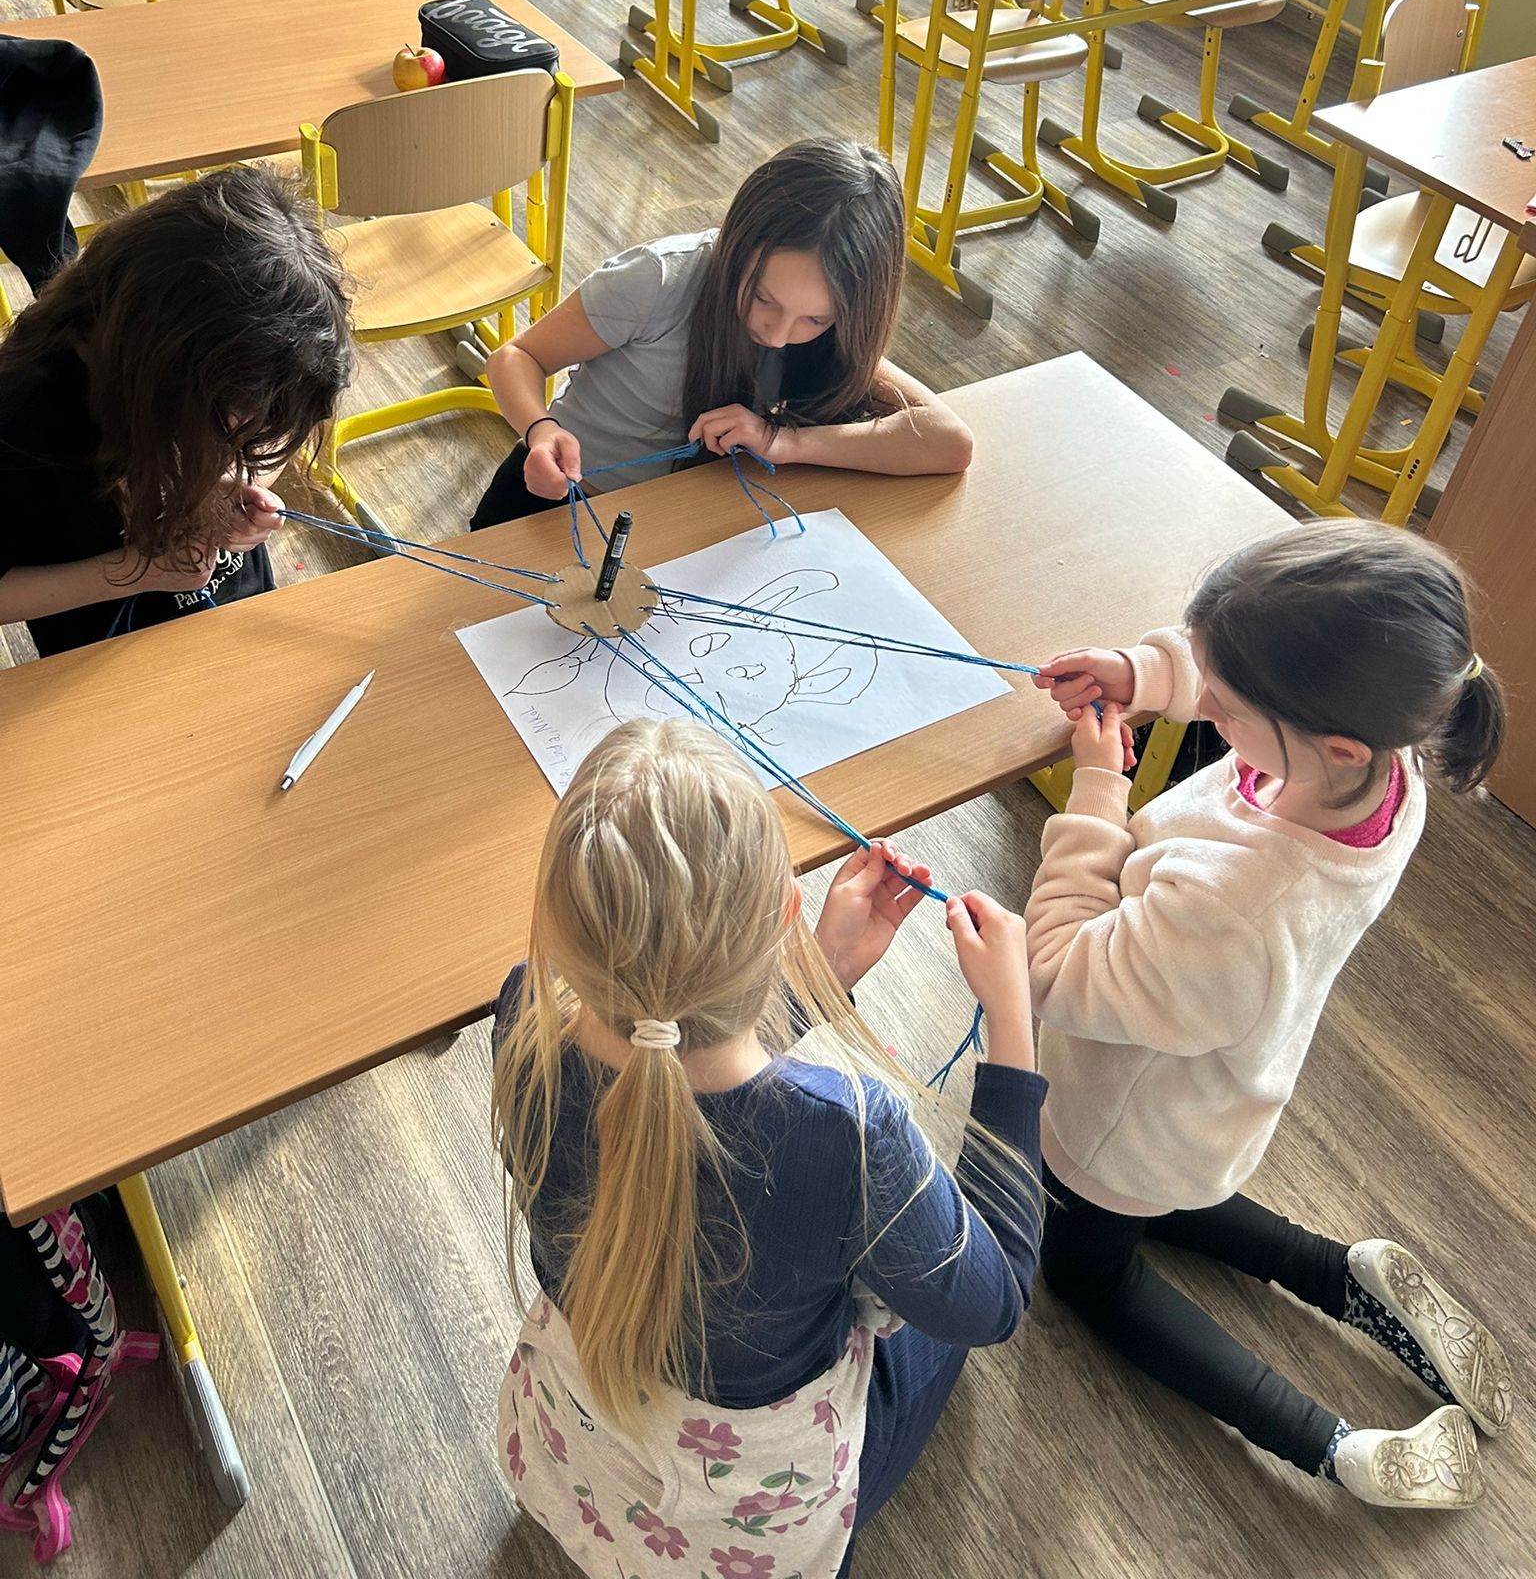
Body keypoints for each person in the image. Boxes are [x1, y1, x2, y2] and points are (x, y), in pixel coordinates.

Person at [1027, 518, 1512, 1509]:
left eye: (1227, 705)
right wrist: (1142, 671)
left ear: (1330, 741)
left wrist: (1097, 794)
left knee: (1091, 1267)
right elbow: (1239, 662)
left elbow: (1057, 970)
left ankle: (1333, 1447)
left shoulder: (1240, 905)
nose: (1205, 708)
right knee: (1173, 1192)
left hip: (1122, 1108)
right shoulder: (1383, 766)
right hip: (1213, 1088)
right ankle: (1335, 1271)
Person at [491, 718, 1042, 1577]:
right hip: (754, 1537)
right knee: (938, 1317)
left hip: (578, 1458)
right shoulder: (851, 1137)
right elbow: (996, 1298)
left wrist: (822, 972)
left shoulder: (523, 1017)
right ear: (788, 911)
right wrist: (1014, 1024)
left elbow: (668, 1068)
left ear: (560, 929)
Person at [470, 137, 971, 528]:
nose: (779, 335)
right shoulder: (659, 280)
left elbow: (947, 441)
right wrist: (541, 430)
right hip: (555, 507)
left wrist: (786, 443)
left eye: (816, 320)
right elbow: (516, 356)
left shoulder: (842, 327)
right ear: (738, 246)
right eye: (764, 298)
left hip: (688, 527)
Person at [0, 165, 351, 658]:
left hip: (240, 622)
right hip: (109, 666)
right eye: (232, 422)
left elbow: (276, 431)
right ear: (169, 372)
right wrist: (136, 570)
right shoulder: (22, 419)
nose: (242, 441)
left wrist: (238, 487)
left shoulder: (230, 373)